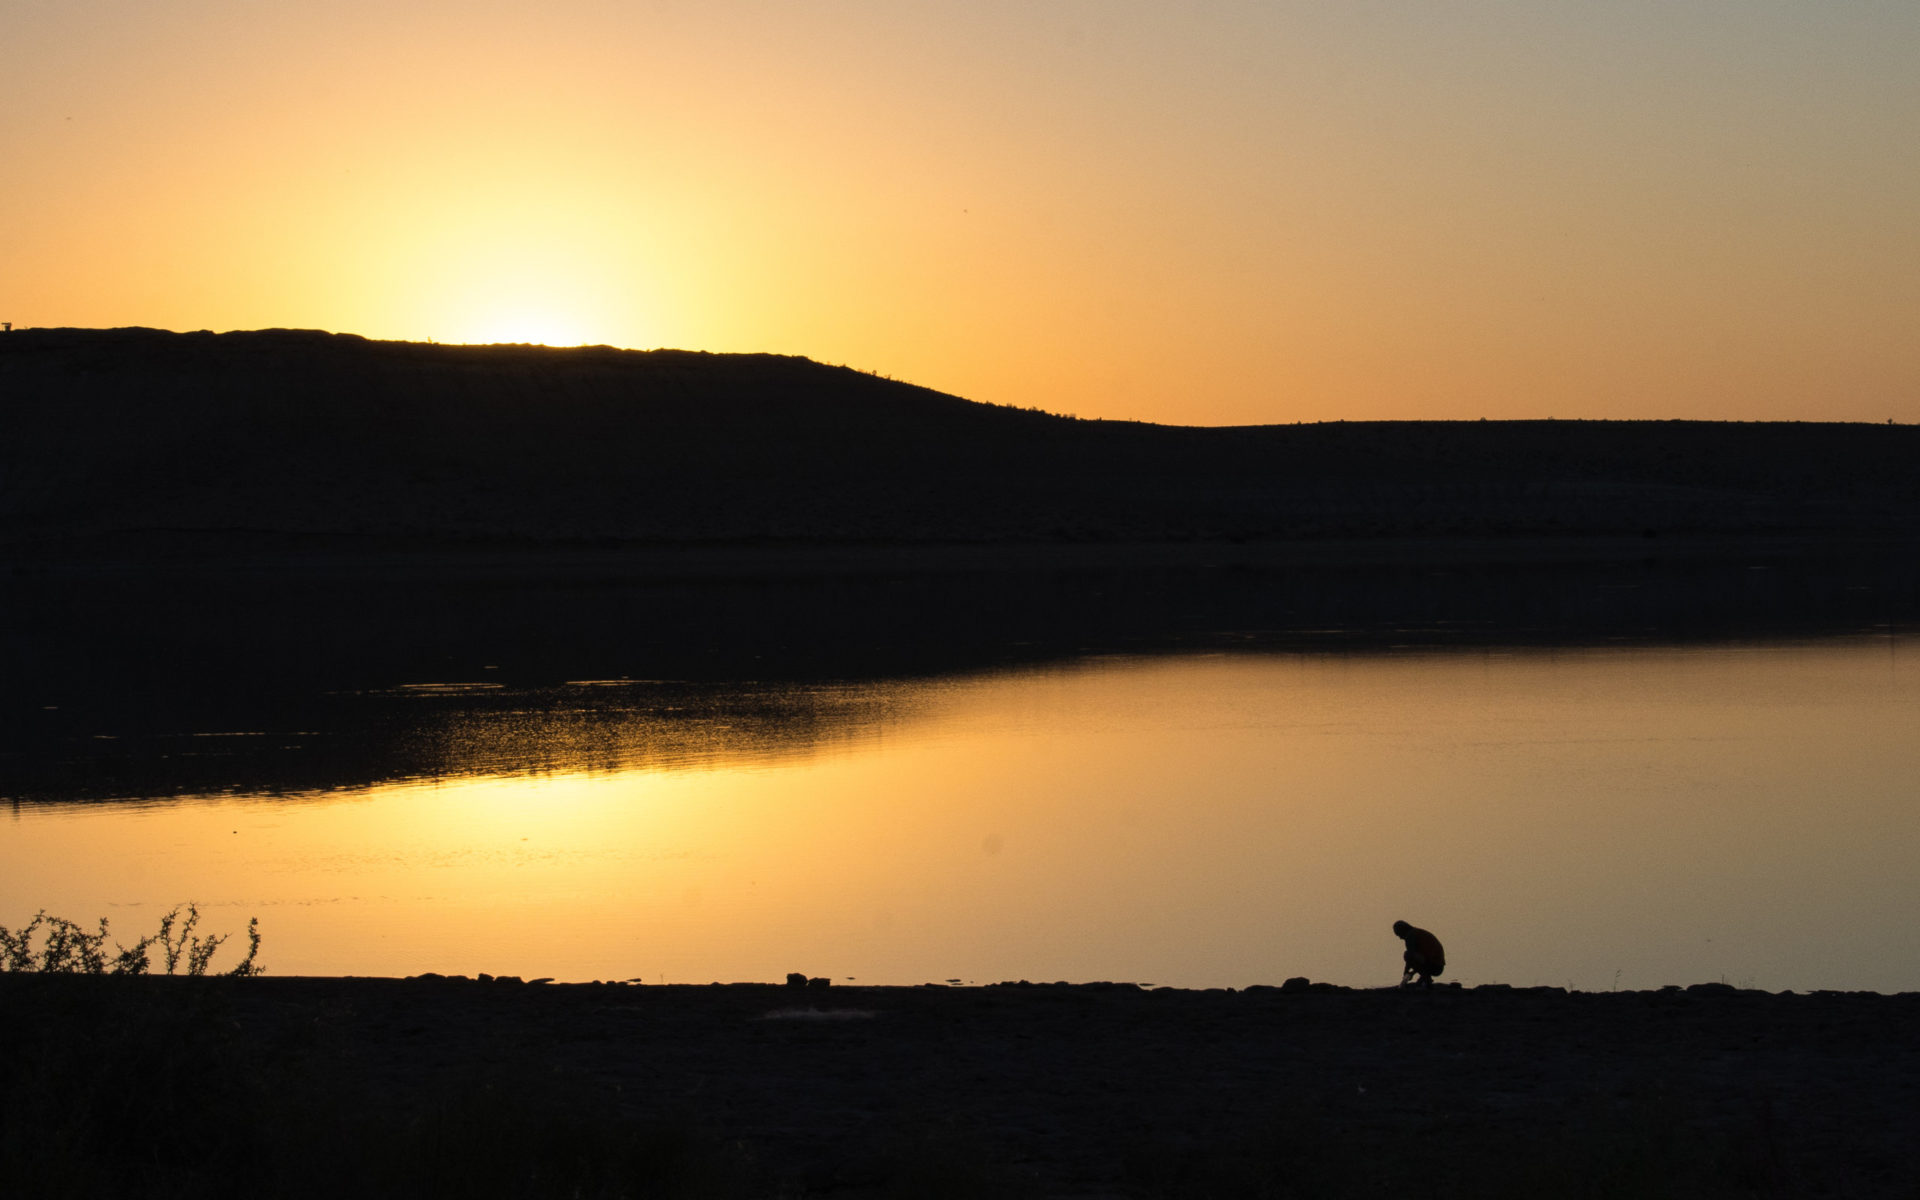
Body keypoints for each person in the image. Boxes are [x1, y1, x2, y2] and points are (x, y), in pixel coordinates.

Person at [1392, 920, 1445, 988]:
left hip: (1435, 966)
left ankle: (1426, 979)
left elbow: (1411, 955)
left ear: (1403, 930)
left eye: (1399, 934)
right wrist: (1411, 972)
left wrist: (1406, 971)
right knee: (1411, 956)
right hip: (1438, 966)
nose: (1400, 938)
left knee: (1407, 955)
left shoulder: (1410, 935)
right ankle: (1425, 978)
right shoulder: (1416, 932)